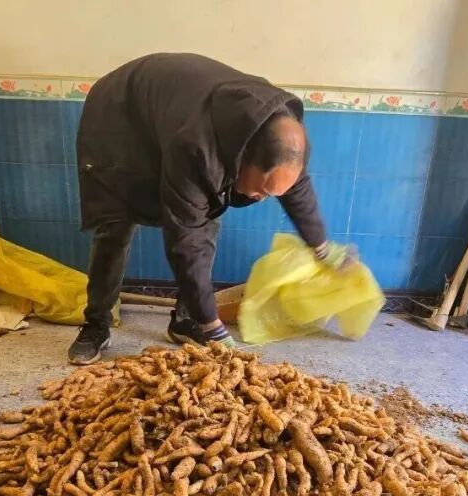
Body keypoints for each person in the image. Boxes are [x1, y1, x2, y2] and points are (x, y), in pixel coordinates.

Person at [68, 53, 333, 365]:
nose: (262, 198)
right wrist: (214, 325)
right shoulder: (197, 147)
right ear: (243, 157)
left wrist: (322, 248)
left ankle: (186, 320)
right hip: (121, 117)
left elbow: (297, 190)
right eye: (262, 189)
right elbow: (186, 239)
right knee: (115, 223)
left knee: (208, 215)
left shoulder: (285, 135)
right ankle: (96, 323)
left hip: (171, 113)